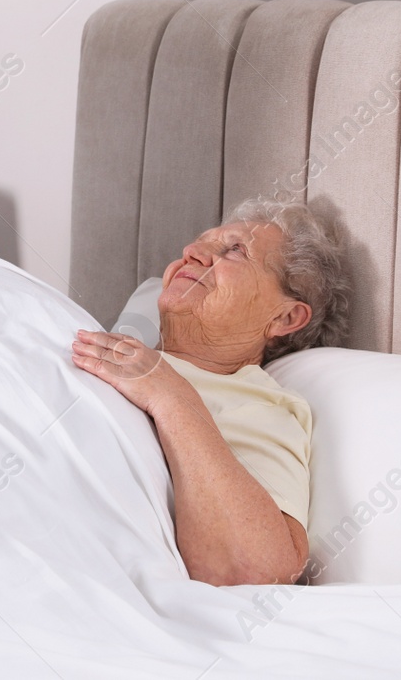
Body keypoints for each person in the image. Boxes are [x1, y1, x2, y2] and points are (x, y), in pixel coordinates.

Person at [71, 197, 350, 586]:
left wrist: (171, 397)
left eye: (235, 251)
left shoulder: (257, 404)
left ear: (286, 317)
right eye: (199, 243)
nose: (192, 252)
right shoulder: (111, 346)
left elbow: (255, 568)